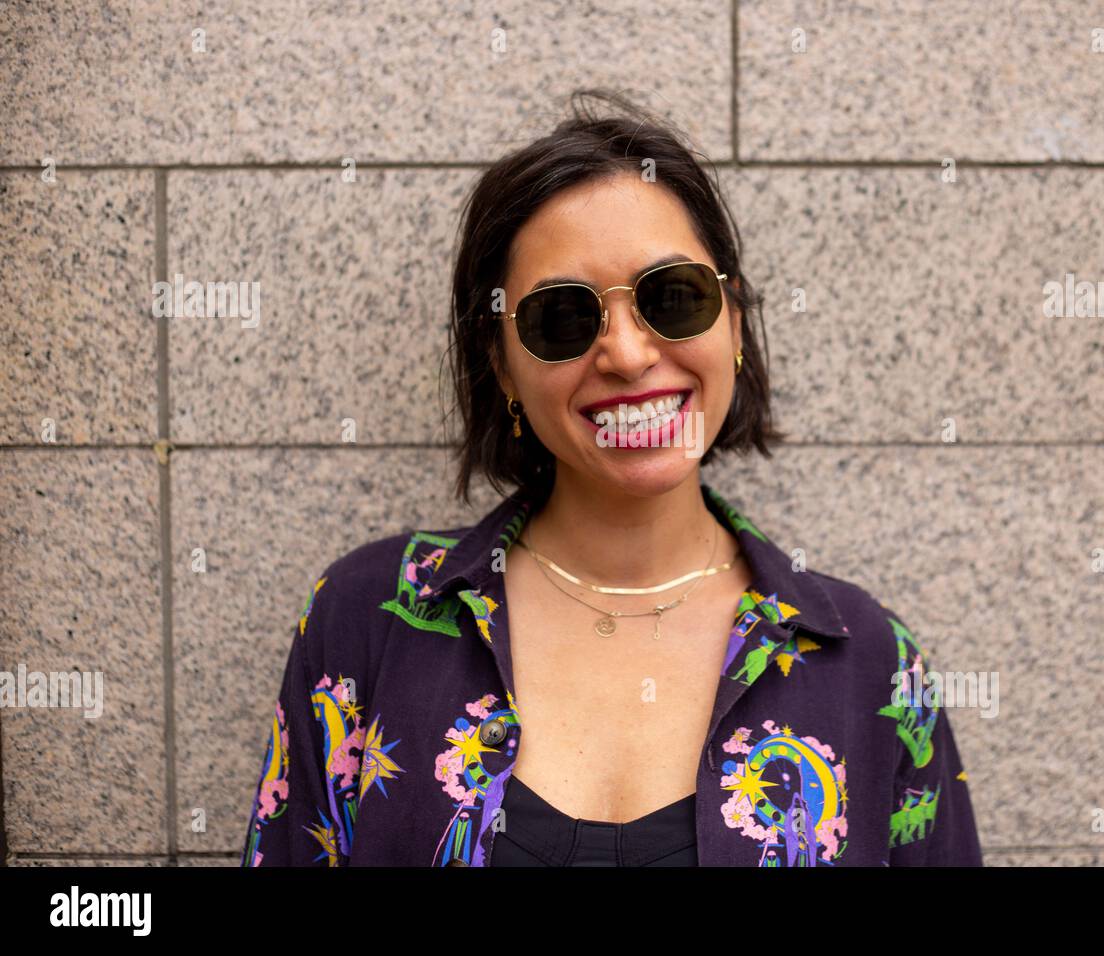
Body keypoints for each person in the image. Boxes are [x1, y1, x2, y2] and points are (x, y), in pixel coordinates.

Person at [241, 89, 982, 867]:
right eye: (561, 317)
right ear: (502, 366)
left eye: (672, 298)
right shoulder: (371, 619)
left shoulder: (868, 659)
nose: (627, 355)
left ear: (733, 321)